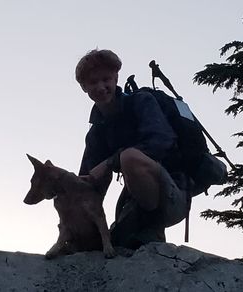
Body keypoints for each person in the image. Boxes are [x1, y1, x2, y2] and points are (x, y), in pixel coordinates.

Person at [76, 49, 190, 249]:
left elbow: (161, 141)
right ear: (84, 87)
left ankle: (150, 231)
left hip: (174, 193)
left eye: (106, 79)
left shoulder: (141, 102)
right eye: (93, 82)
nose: (101, 87)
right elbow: (88, 179)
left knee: (129, 157)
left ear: (116, 78)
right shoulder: (96, 133)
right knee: (118, 238)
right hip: (133, 199)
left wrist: (111, 162)